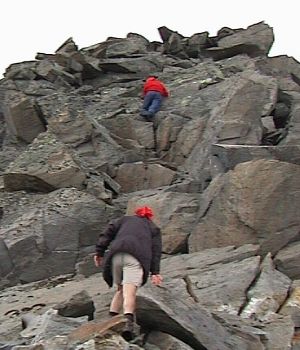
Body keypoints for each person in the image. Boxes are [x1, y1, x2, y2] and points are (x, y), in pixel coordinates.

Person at [94, 206, 163, 340]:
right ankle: (128, 325)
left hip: (116, 255)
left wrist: (99, 252)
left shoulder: (124, 220)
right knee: (129, 292)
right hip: (135, 258)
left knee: (120, 289)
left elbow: (108, 231)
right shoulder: (153, 228)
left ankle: (111, 320)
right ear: (149, 217)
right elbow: (156, 251)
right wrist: (155, 272)